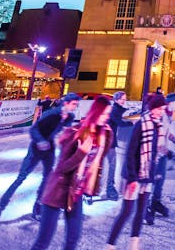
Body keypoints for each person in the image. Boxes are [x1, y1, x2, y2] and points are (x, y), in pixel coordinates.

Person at [0, 93, 81, 230]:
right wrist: (40, 141)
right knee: (21, 178)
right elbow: (34, 129)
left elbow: (66, 131)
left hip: (49, 148)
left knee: (48, 177)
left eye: (76, 105)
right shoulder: (51, 114)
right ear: (66, 103)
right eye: (74, 104)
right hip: (36, 148)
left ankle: (38, 206)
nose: (75, 107)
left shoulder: (69, 117)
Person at [30, 96, 113, 250]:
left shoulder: (103, 135)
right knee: (43, 241)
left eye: (108, 114)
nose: (106, 118)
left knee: (73, 238)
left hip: (75, 192)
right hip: (58, 189)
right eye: (104, 114)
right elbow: (62, 168)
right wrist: (81, 152)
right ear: (95, 112)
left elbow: (100, 158)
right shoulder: (76, 133)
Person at [106, 93, 167, 250]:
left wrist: (153, 173)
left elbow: (154, 153)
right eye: (159, 109)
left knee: (140, 212)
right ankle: (110, 245)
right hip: (135, 176)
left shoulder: (157, 125)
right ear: (152, 108)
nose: (161, 112)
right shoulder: (141, 124)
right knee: (126, 212)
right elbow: (131, 152)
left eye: (163, 109)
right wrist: (133, 177)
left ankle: (134, 243)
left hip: (147, 177)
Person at [145, 93, 175, 225]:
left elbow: (166, 133)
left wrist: (174, 140)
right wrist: (166, 151)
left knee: (160, 180)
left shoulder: (168, 115)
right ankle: (145, 208)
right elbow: (157, 136)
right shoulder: (161, 115)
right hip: (154, 154)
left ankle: (156, 203)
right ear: (170, 103)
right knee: (152, 180)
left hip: (162, 153)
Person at [104, 91, 134, 201]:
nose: (124, 101)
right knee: (111, 165)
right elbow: (118, 122)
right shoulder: (114, 109)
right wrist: (131, 123)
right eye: (122, 99)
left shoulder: (116, 109)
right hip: (108, 141)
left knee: (111, 165)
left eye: (125, 99)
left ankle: (109, 188)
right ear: (116, 99)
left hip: (110, 141)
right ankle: (109, 189)